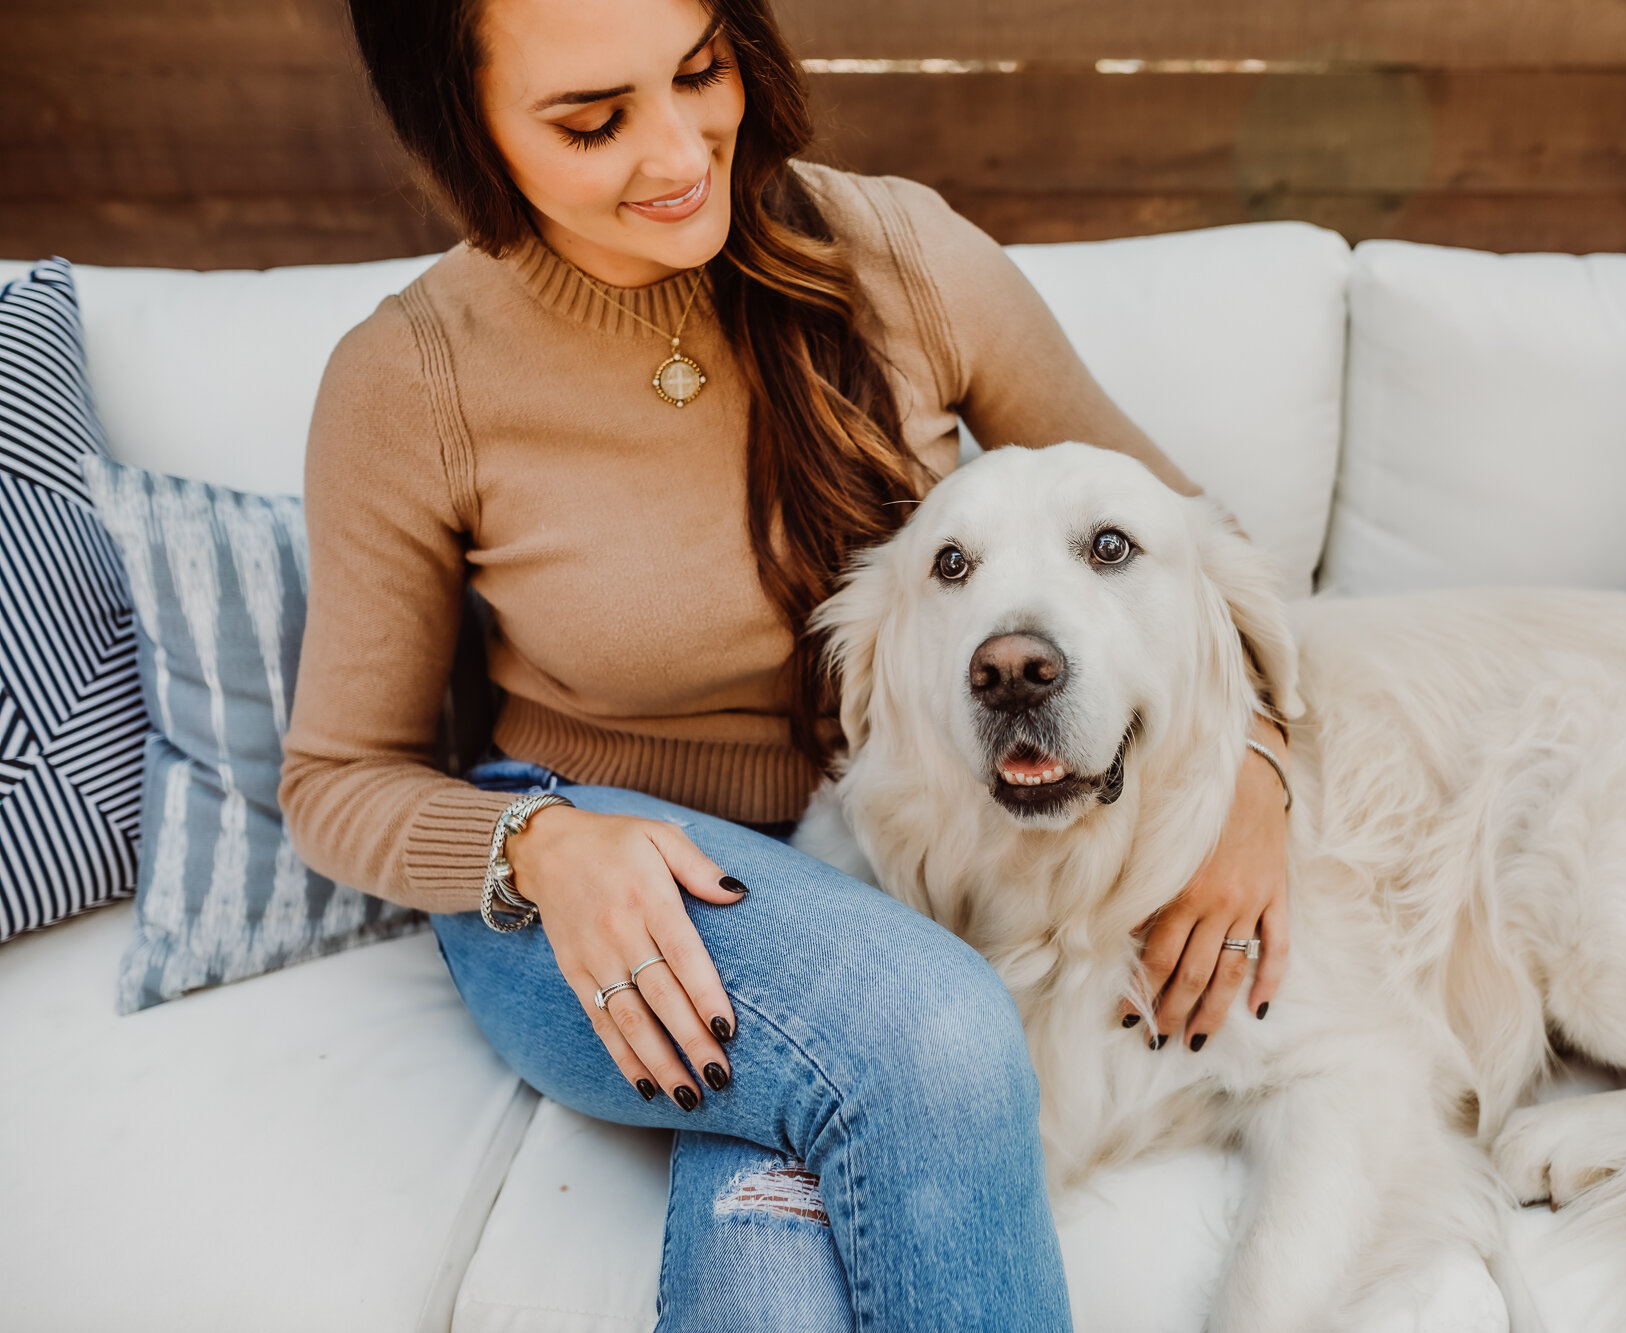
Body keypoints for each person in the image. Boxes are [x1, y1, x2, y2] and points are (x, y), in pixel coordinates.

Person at [278, 0, 1292, 1327]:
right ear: (464, 131)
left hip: (863, 853)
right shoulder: (410, 382)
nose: (680, 150)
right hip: (596, 880)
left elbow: (1185, 551)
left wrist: (1259, 778)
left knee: (777, 1222)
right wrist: (538, 845)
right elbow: (337, 779)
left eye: (701, 72)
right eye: (594, 121)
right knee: (930, 1026)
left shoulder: (905, 259)